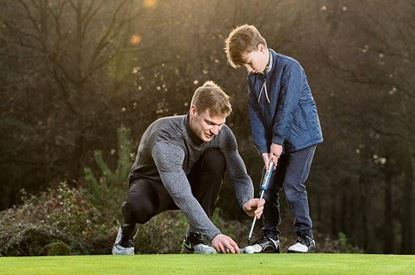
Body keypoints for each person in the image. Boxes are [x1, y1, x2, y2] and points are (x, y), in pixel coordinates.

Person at [112, 81, 265, 255]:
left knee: (215, 159)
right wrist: (214, 234)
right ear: (194, 111)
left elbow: (239, 174)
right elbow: (181, 193)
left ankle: (194, 239)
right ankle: (125, 237)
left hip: (187, 181)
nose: (216, 131)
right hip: (153, 186)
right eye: (210, 123)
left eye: (220, 124)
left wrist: (246, 200)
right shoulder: (166, 135)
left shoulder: (222, 134)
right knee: (137, 207)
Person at [224, 25, 323, 253]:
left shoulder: (291, 68)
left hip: (302, 137)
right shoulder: (254, 78)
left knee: (292, 185)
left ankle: (305, 238)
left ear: (262, 48)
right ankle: (270, 238)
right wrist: (264, 150)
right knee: (267, 188)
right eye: (244, 66)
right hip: (274, 142)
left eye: (249, 62)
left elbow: (286, 109)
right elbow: (256, 114)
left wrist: (277, 142)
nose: (248, 69)